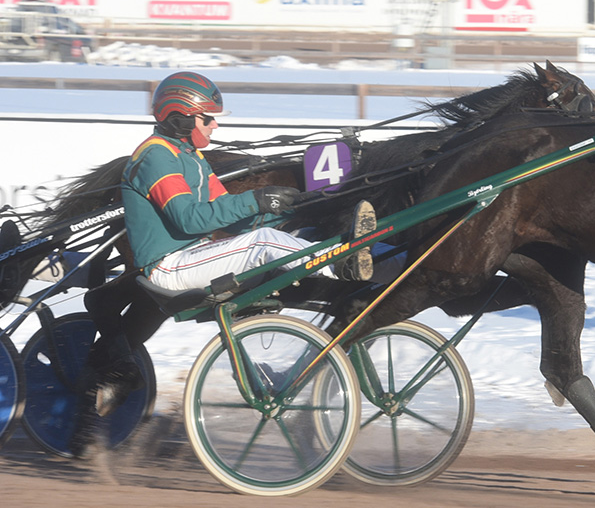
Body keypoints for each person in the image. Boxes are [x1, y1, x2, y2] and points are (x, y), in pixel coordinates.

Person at [79, 71, 375, 439]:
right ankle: (341, 261)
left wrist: (286, 208)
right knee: (262, 243)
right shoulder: (154, 157)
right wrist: (254, 199)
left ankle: (340, 256)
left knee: (268, 234)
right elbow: (188, 218)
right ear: (180, 116)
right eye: (208, 117)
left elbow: (232, 222)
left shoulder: (193, 159)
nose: (215, 124)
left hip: (195, 257)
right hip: (168, 267)